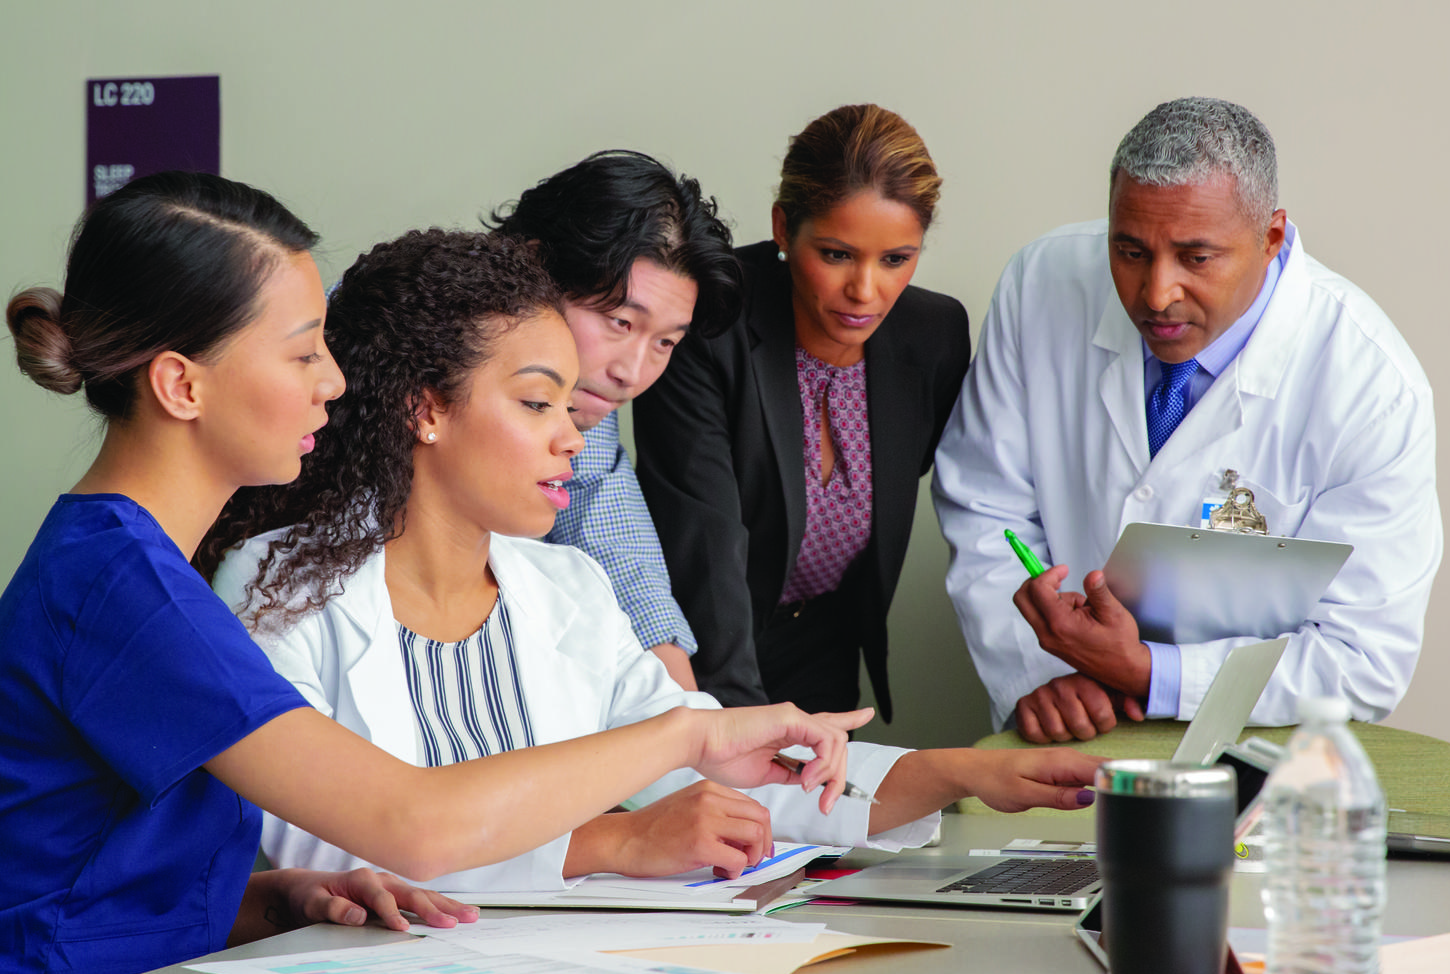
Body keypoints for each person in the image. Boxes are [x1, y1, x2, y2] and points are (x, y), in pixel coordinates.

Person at [0, 174, 868, 974]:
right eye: (304, 352)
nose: (336, 381)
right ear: (181, 384)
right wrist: (688, 734)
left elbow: (82, 862)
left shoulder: (130, 566)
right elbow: (416, 822)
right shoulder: (125, 590)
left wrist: (265, 900)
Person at [206, 228, 1100, 891]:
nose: (572, 440)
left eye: (569, 406)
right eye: (536, 404)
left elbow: (699, 758)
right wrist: (608, 843)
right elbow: (316, 846)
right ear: (426, 408)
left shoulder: (567, 588)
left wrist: (962, 771)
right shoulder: (277, 584)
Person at [933, 97, 1441, 744]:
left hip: (1252, 740)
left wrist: (1152, 672)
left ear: (1272, 238)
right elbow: (984, 505)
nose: (1156, 294)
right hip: (1060, 717)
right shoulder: (1042, 282)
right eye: (1130, 250)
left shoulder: (1370, 385)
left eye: (1197, 258)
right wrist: (1038, 671)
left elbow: (1365, 657)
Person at [634, 104, 972, 719]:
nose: (865, 291)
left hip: (825, 646)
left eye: (896, 258)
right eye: (838, 254)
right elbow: (703, 540)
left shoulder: (935, 335)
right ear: (784, 229)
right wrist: (733, 717)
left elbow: (911, 469)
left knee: (824, 810)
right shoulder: (708, 320)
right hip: (693, 648)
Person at [487, 151, 743, 692]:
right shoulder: (376, 352)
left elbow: (619, 555)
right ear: (532, 268)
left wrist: (694, 729)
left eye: (666, 342)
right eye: (620, 322)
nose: (632, 373)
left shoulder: (581, 397)